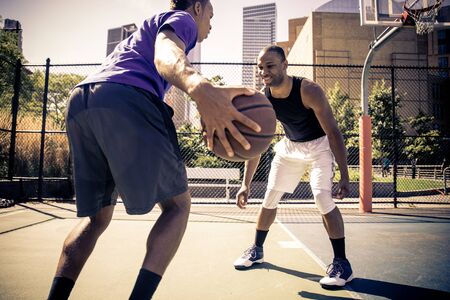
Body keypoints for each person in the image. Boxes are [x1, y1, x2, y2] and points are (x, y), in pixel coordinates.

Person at [47, 1, 261, 299]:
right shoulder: (183, 20)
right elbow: (166, 54)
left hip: (83, 101)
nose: (211, 25)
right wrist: (199, 87)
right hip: (126, 99)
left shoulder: (145, 30)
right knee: (178, 206)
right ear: (197, 8)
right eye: (210, 16)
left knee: (97, 219)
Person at [233, 45, 353, 288]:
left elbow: (332, 132)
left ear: (285, 65)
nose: (263, 72)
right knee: (270, 197)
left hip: (318, 146)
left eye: (269, 66)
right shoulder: (262, 99)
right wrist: (245, 184)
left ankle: (342, 264)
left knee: (321, 197)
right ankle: (256, 250)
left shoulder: (308, 90)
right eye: (260, 68)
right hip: (290, 147)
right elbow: (258, 144)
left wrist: (344, 175)